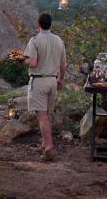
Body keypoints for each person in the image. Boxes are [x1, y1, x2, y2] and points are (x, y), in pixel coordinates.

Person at [24, 13, 67, 161]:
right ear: (51, 24)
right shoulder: (58, 40)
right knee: (46, 114)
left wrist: (23, 60)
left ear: (39, 24)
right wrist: (61, 79)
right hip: (52, 81)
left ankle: (49, 147)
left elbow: (33, 63)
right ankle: (44, 144)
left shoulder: (35, 41)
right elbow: (63, 64)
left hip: (39, 80)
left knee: (41, 115)